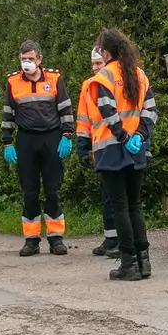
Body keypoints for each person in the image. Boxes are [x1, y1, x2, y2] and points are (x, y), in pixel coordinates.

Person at [83, 28, 157, 281]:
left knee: (120, 207)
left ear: (105, 53)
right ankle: (143, 261)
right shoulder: (139, 74)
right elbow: (150, 111)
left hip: (111, 149)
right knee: (134, 205)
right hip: (136, 149)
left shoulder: (103, 77)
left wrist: (123, 137)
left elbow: (108, 112)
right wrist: (139, 136)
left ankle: (128, 263)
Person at [1, 40, 74, 256]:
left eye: (31, 59)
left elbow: (65, 108)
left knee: (53, 189)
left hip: (51, 138)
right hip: (26, 140)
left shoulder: (54, 78)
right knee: (29, 191)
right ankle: (31, 239)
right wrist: (7, 142)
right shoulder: (13, 81)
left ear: (39, 59)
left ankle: (55, 238)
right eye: (23, 59)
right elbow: (8, 114)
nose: (27, 63)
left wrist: (67, 135)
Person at [77, 46, 118, 258]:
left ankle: (122, 240)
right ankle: (111, 238)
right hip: (100, 146)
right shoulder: (88, 85)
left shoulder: (114, 81)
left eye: (98, 63)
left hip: (117, 144)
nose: (94, 68)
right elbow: (84, 117)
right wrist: (82, 145)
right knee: (107, 196)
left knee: (118, 197)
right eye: (92, 64)